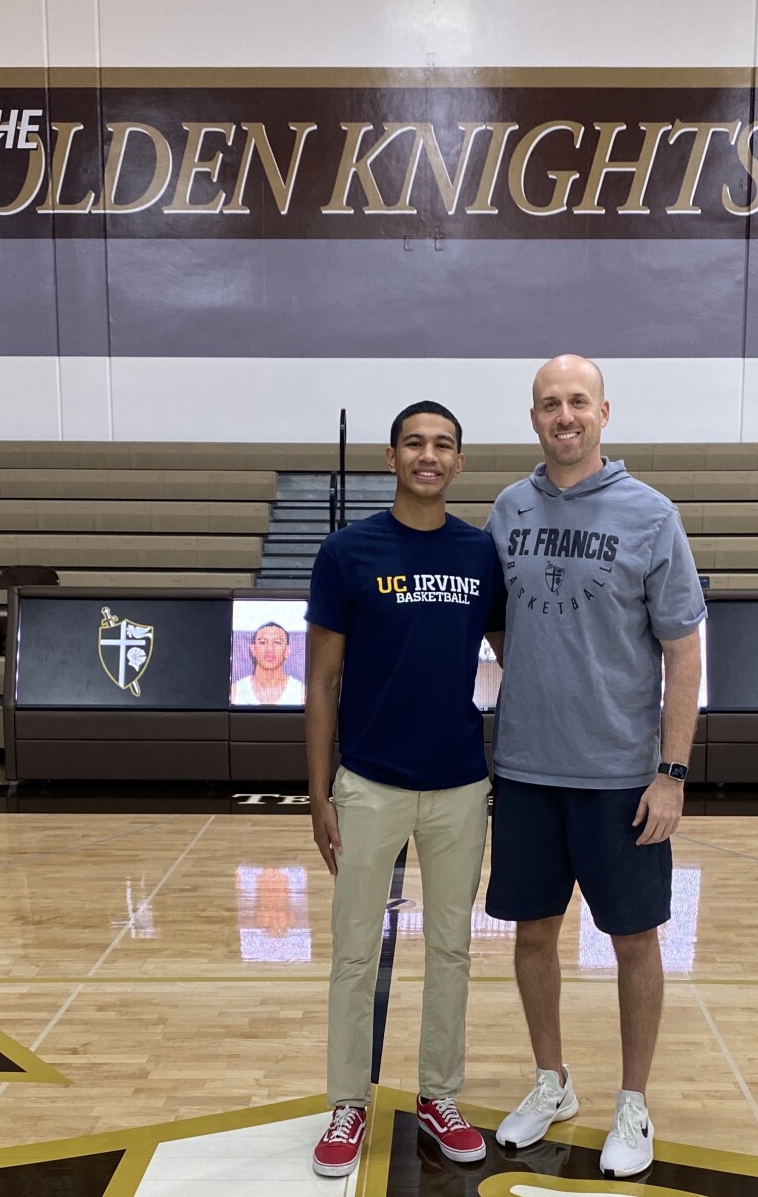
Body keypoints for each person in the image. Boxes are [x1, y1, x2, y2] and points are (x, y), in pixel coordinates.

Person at [484, 354, 705, 1179]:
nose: (564, 415)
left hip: (620, 778)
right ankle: (552, 1083)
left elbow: (684, 653)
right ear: (533, 417)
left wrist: (671, 774)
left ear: (605, 412)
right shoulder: (507, 511)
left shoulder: (652, 516)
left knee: (635, 941)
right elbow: (503, 629)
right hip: (529, 770)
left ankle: (633, 1102)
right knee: (533, 934)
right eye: (550, 403)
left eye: (578, 401)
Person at [305, 400, 505, 1178]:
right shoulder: (347, 553)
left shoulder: (481, 553)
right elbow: (321, 681)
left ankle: (438, 1096)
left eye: (443, 444)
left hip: (460, 783)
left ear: (459, 462)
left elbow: (519, 651)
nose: (429, 455)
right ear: (391, 458)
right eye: (415, 443)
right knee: (355, 952)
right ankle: (347, 1102)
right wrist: (320, 793)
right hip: (369, 783)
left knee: (451, 949)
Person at [230, 621, 306, 705]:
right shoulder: (235, 692)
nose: (270, 649)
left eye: (277, 642)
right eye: (263, 642)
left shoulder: (301, 693)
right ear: (253, 649)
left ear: (287, 651)